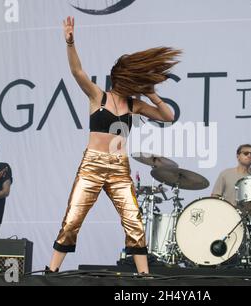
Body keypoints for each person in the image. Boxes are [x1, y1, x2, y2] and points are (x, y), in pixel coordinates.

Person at [47, 16, 179, 274]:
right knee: (73, 218)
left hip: (119, 168)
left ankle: (144, 276)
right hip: (93, 163)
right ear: (121, 79)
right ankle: (51, 272)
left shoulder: (135, 105)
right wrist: (70, 42)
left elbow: (168, 117)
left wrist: (151, 93)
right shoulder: (99, 96)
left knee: (134, 221)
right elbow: (77, 71)